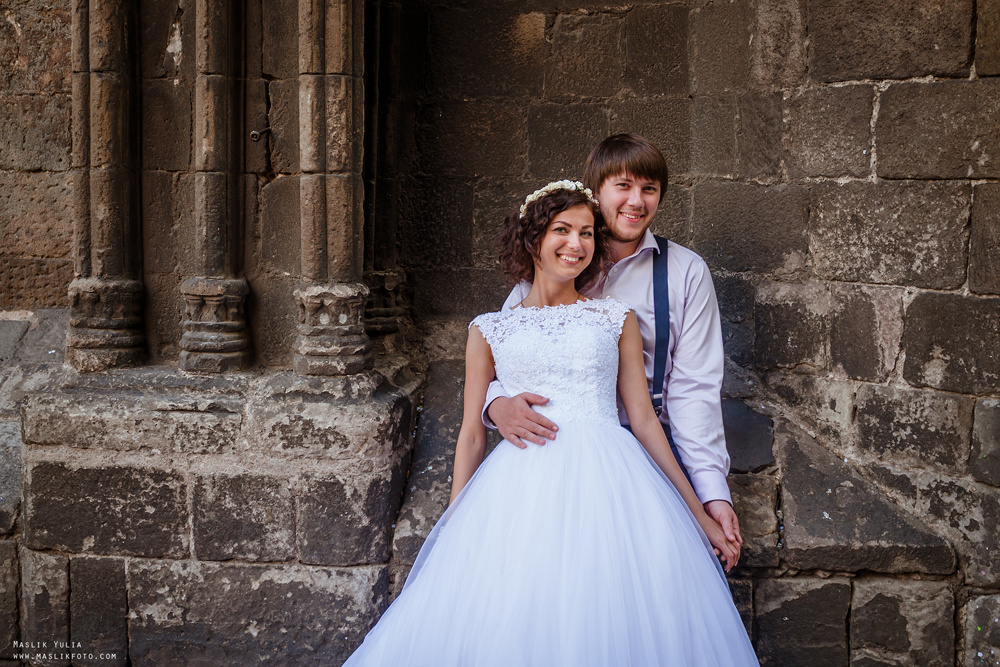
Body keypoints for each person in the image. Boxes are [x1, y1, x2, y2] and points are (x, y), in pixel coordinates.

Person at [342, 182, 758, 666]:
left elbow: (644, 421)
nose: (576, 244)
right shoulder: (489, 328)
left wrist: (701, 512)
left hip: (613, 485)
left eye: (586, 233)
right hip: (519, 489)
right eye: (562, 230)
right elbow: (472, 433)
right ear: (532, 238)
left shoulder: (615, 318)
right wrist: (454, 526)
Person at [484, 134, 742, 562]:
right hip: (554, 450)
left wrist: (712, 492)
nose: (636, 201)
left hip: (650, 446)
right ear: (595, 190)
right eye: (623, 186)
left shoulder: (685, 272)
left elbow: (694, 390)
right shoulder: (556, 260)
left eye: (649, 189)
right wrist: (497, 406)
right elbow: (504, 347)